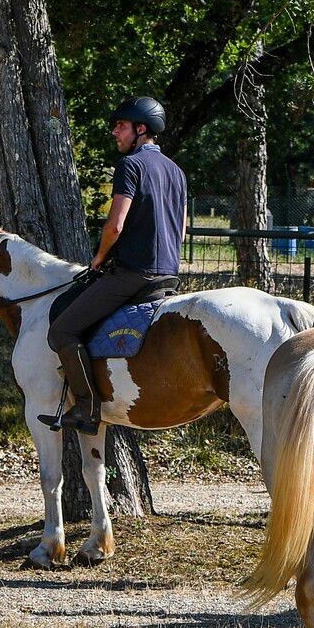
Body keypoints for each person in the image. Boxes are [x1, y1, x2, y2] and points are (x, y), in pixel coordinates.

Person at [45, 96, 187, 434]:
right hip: (169, 273)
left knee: (62, 331)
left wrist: (99, 258)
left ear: (141, 129)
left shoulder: (131, 165)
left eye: (121, 126)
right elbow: (181, 230)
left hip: (133, 274)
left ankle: (87, 408)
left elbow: (115, 226)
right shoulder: (177, 172)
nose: (114, 132)